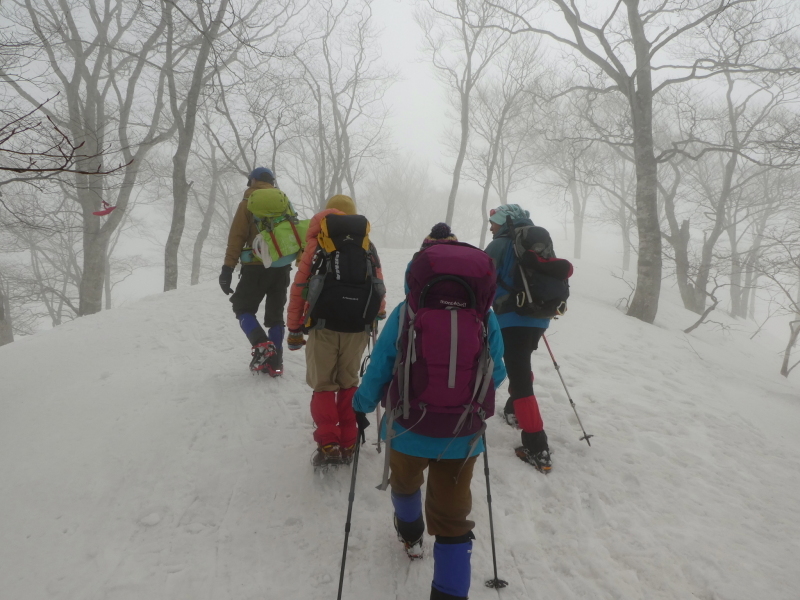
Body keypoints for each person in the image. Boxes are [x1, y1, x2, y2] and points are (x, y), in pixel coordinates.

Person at [353, 223, 507, 600]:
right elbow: (498, 369)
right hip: (462, 435)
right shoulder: (484, 317)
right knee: (454, 521)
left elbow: (382, 364)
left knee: (405, 486)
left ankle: (410, 535)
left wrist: (362, 406)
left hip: (407, 427)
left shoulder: (407, 312)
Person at [286, 194, 385, 468]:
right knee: (348, 382)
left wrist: (294, 327)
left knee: (324, 385)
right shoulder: (367, 244)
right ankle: (349, 440)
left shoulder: (319, 242)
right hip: (357, 327)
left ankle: (328, 442)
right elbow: (378, 283)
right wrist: (377, 313)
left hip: (323, 325)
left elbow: (300, 287)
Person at [484, 204, 553, 472]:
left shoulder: (501, 245)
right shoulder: (536, 238)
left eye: (493, 222)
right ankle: (514, 410)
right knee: (520, 364)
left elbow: (483, 280)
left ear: (503, 222)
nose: (491, 227)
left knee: (521, 376)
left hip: (512, 319)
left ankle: (537, 447)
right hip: (539, 317)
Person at [219, 167, 297, 376]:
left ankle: (261, 345)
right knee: (275, 315)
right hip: (281, 267)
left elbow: (237, 236)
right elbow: (294, 232)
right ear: (272, 181)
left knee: (242, 307)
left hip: (255, 267)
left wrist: (227, 268)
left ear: (252, 181)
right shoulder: (284, 202)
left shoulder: (247, 203)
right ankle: (276, 361)